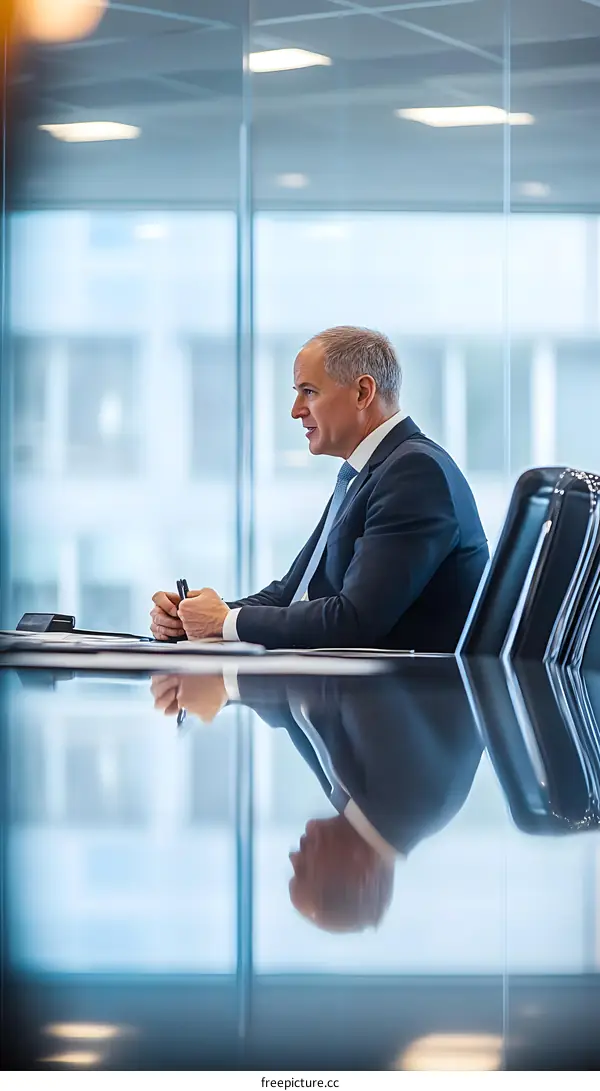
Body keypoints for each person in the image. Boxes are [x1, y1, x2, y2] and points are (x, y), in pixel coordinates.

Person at [150, 326, 488, 650]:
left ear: (362, 392)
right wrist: (196, 617)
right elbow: (289, 592)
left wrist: (224, 623)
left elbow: (354, 620)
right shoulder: (369, 471)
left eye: (308, 392)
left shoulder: (413, 473)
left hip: (406, 701)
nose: (296, 410)